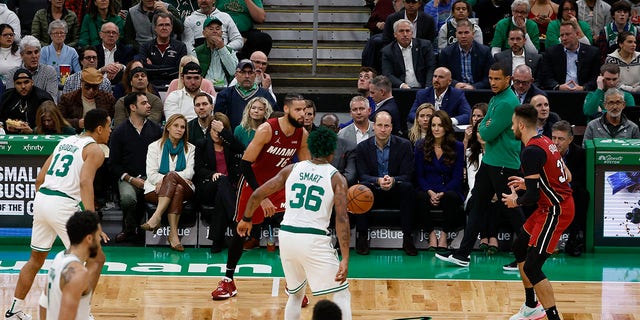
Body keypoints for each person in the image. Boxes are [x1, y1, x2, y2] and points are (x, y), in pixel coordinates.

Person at [4, 108, 111, 320]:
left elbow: (39, 179)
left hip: (42, 199)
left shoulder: (65, 141)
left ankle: (13, 310)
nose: (110, 131)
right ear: (99, 129)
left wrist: (44, 203)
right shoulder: (95, 150)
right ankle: (83, 313)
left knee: (35, 259)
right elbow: (84, 182)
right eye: (109, 127)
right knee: (94, 257)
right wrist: (93, 223)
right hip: (62, 204)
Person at [237, 126, 351, 320]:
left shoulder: (292, 169)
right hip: (313, 238)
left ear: (312, 148)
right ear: (332, 152)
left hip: (287, 236)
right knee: (341, 292)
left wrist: (246, 219)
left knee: (296, 294)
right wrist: (346, 257)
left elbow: (257, 194)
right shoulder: (336, 177)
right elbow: (342, 219)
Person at [210, 93, 310, 300]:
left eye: (305, 110)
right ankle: (228, 281)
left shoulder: (302, 134)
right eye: (298, 110)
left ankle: (294, 284)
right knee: (242, 230)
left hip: (279, 187)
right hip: (253, 185)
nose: (303, 114)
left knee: (291, 232)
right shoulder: (267, 129)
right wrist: (261, 196)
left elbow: (306, 167)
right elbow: (245, 164)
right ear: (287, 109)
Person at [436, 62, 524, 267]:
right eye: (490, 78)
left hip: (504, 163)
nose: (492, 82)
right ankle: (463, 253)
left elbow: (485, 132)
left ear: (508, 79)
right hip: (491, 161)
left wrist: (484, 125)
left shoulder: (506, 102)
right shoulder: (496, 98)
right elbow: (483, 126)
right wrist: (485, 124)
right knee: (477, 204)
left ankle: (527, 255)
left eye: (497, 79)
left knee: (513, 212)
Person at [501, 104, 575, 320]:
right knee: (519, 246)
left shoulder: (530, 151)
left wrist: (516, 201)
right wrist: (531, 182)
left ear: (521, 125)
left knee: (533, 267)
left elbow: (531, 197)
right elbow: (566, 176)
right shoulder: (545, 142)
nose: (512, 128)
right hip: (550, 205)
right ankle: (531, 305)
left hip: (556, 209)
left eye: (513, 124)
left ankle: (553, 317)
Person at [354, 111, 416, 256]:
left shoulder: (404, 145)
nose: (383, 129)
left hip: (395, 190)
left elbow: (408, 175)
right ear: (373, 127)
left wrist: (393, 180)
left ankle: (408, 237)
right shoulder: (362, 147)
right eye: (380, 125)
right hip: (373, 191)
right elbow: (362, 175)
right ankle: (362, 236)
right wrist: (377, 180)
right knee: (361, 189)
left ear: (391, 127)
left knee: (408, 187)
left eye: (386, 126)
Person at [109, 92, 163, 243]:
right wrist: (131, 179)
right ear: (132, 107)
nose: (149, 105)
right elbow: (113, 164)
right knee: (128, 197)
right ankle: (129, 228)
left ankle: (147, 229)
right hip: (128, 177)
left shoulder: (156, 130)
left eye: (148, 102)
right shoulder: (119, 132)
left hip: (152, 177)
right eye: (144, 103)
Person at [140, 113, 196, 252]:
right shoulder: (154, 147)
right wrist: (171, 181)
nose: (179, 129)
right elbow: (151, 174)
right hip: (154, 188)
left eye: (182, 127)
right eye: (176, 126)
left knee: (172, 177)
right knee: (177, 189)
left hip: (186, 188)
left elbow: (190, 173)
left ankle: (156, 216)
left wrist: (167, 179)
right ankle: (173, 234)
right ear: (167, 128)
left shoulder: (191, 148)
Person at [415, 110, 465, 251]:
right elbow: (419, 175)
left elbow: (457, 177)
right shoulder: (421, 145)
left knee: (451, 197)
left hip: (449, 188)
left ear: (447, 127)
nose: (436, 129)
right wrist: (430, 192)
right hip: (427, 188)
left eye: (440, 125)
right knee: (419, 196)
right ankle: (431, 235)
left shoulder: (458, 147)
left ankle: (444, 235)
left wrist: (441, 192)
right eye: (433, 125)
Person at [194, 112, 245, 253]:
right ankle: (236, 220)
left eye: (219, 131)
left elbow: (241, 148)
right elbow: (198, 169)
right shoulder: (202, 144)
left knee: (221, 198)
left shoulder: (230, 146)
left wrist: (224, 132)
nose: (216, 134)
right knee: (222, 180)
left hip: (226, 190)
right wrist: (212, 174)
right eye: (214, 130)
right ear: (209, 130)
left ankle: (217, 242)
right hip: (207, 186)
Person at [41, 210, 102, 320]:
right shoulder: (78, 274)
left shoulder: (59, 257)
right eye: (98, 236)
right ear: (89, 238)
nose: (100, 240)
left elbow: (43, 303)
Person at [551, 120, 588, 257]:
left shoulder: (580, 154)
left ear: (570, 139)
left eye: (561, 139)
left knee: (582, 194)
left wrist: (564, 188)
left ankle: (574, 238)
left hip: (569, 191)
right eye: (554, 138)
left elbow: (580, 179)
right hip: (548, 190)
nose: (556, 142)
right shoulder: (544, 152)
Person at [214, 59, 277, 130]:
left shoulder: (265, 94)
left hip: (259, 137)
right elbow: (218, 119)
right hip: (231, 138)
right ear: (236, 74)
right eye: (243, 72)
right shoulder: (225, 94)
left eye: (250, 72)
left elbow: (274, 118)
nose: (247, 76)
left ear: (255, 75)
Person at [539, 21, 600, 91]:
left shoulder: (592, 53)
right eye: (562, 35)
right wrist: (558, 87)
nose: (564, 38)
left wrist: (583, 88)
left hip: (584, 94)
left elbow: (595, 78)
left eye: (567, 34)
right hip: (558, 94)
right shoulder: (551, 52)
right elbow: (546, 78)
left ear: (577, 34)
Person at [439, 20, 493, 90]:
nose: (463, 36)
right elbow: (442, 76)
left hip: (478, 91)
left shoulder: (485, 51)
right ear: (456, 35)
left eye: (466, 32)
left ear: (473, 34)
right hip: (455, 91)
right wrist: (455, 84)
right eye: (460, 33)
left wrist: (474, 87)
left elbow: (489, 77)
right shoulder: (446, 53)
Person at [58, 67, 116, 133]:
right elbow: (59, 120)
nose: (91, 90)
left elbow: (113, 121)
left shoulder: (108, 99)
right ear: (81, 83)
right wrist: (77, 123)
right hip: (75, 135)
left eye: (94, 87)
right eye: (87, 87)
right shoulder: (68, 99)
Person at [381, 19, 435, 89]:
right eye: (401, 31)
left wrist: (428, 87)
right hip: (401, 90)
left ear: (412, 33)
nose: (405, 34)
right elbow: (387, 74)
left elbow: (431, 67)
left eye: (407, 31)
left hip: (423, 88)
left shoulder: (425, 46)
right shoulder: (388, 51)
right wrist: (402, 85)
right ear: (395, 34)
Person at [407, 67, 471, 126]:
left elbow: (468, 115)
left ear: (449, 82)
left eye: (441, 77)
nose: (436, 80)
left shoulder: (457, 94)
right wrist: (424, 119)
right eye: (435, 76)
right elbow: (411, 114)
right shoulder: (422, 94)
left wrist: (448, 121)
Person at [138, 12, 187, 87]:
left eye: (167, 25)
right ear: (155, 28)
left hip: (174, 86)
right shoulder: (145, 47)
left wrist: (153, 68)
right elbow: (144, 69)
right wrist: (169, 68)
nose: (164, 28)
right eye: (161, 25)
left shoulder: (181, 47)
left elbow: (178, 70)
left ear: (171, 27)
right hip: (151, 86)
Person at [0, 68, 54, 134]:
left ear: (32, 82)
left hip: (38, 137)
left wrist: (33, 131)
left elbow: (50, 124)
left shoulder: (43, 98)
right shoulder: (7, 97)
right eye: (19, 83)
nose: (23, 86)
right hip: (9, 135)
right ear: (14, 84)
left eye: (26, 82)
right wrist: (5, 126)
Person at [6, 35, 58, 102]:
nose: (34, 56)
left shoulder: (49, 72)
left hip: (43, 111)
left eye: (36, 52)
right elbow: (11, 101)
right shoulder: (12, 74)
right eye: (29, 53)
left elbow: (52, 100)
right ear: (22, 55)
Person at [194, 16, 239, 88]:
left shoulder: (230, 51)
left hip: (225, 89)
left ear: (221, 33)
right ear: (204, 33)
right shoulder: (196, 52)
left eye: (218, 29)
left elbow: (233, 72)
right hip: (204, 89)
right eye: (211, 29)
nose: (215, 31)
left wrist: (222, 48)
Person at [320, 113, 357, 186]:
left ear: (338, 129)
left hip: (338, 187)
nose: (327, 131)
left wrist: (330, 184)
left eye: (332, 127)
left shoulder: (349, 147)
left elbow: (350, 176)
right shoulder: (311, 145)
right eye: (324, 127)